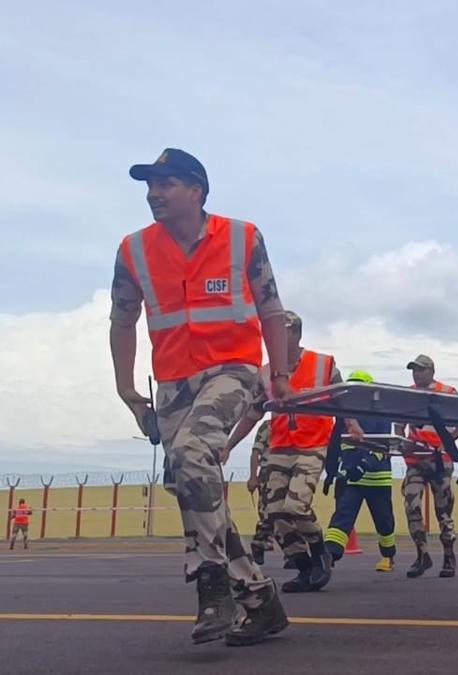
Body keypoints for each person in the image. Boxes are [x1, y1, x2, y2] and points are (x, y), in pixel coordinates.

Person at [109, 148, 288, 645]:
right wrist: (126, 387)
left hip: (232, 370)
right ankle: (260, 598)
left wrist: (283, 376)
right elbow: (122, 320)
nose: (153, 194)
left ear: (196, 191)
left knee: (190, 455)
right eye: (150, 185)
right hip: (172, 384)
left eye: (165, 184)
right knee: (193, 486)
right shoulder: (133, 250)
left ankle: (212, 586)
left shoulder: (242, 237)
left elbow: (272, 309)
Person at [226, 311, 363, 593]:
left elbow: (342, 400)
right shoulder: (265, 373)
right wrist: (227, 445)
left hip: (312, 445)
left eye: (282, 331)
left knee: (295, 506)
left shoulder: (323, 364)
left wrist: (352, 424)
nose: (273, 337)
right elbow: (252, 414)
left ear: (296, 334)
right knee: (275, 512)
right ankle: (303, 567)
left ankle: (320, 553)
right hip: (279, 447)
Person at [323, 369, 399, 572]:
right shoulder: (344, 416)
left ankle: (388, 557)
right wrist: (331, 472)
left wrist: (363, 465)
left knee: (384, 522)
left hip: (377, 479)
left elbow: (383, 446)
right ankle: (328, 556)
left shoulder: (380, 414)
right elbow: (334, 444)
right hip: (351, 479)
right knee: (342, 517)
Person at [401, 354, 458, 579]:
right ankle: (422, 554)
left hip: (440, 461)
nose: (417, 374)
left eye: (420, 370)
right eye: (414, 370)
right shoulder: (406, 395)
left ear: (431, 371)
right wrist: (402, 445)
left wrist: (449, 440)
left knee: (443, 510)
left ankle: (448, 555)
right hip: (415, 461)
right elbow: (398, 423)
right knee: (411, 505)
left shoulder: (447, 393)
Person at [246, 422, 280, 566]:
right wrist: (253, 477)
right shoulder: (269, 426)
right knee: (268, 513)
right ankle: (259, 543)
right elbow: (256, 452)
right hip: (269, 472)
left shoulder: (297, 422)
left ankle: (293, 553)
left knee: (289, 513)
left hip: (289, 470)